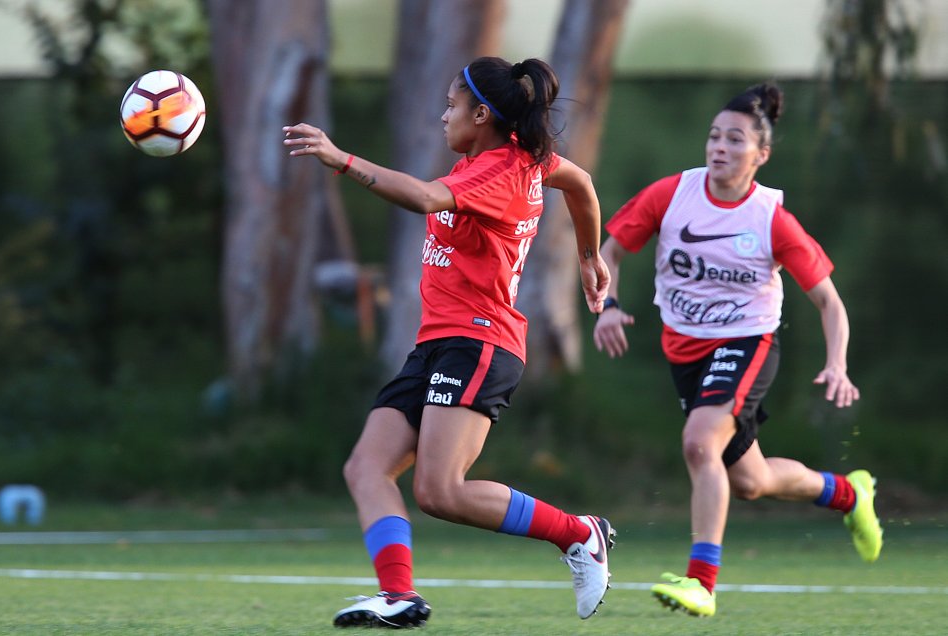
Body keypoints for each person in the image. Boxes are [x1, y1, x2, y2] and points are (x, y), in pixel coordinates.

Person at [284, 56, 614, 629]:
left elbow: (423, 197)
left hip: (479, 341)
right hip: (439, 341)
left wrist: (342, 160)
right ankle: (398, 596)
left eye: (451, 105)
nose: (443, 117)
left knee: (440, 492)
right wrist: (589, 256)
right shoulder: (515, 159)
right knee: (367, 467)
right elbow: (579, 183)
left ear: (481, 115)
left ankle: (578, 533)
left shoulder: (500, 170)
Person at [593, 83, 883, 618]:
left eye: (734, 139)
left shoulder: (771, 220)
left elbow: (829, 303)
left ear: (761, 154)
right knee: (751, 481)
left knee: (700, 443)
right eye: (714, 136)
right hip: (685, 351)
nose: (719, 147)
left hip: (747, 343)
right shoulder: (672, 195)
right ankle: (849, 494)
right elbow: (608, 251)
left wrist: (837, 364)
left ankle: (702, 583)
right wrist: (607, 305)